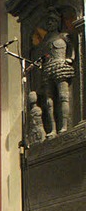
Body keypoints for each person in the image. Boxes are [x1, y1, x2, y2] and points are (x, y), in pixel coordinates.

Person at [37, 9, 74, 137]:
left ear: (57, 22)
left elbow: (72, 47)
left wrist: (70, 58)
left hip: (60, 65)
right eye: (48, 21)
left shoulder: (63, 36)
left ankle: (64, 126)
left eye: (52, 21)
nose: (50, 23)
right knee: (49, 100)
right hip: (48, 67)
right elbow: (43, 56)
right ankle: (52, 129)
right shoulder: (45, 41)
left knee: (63, 96)